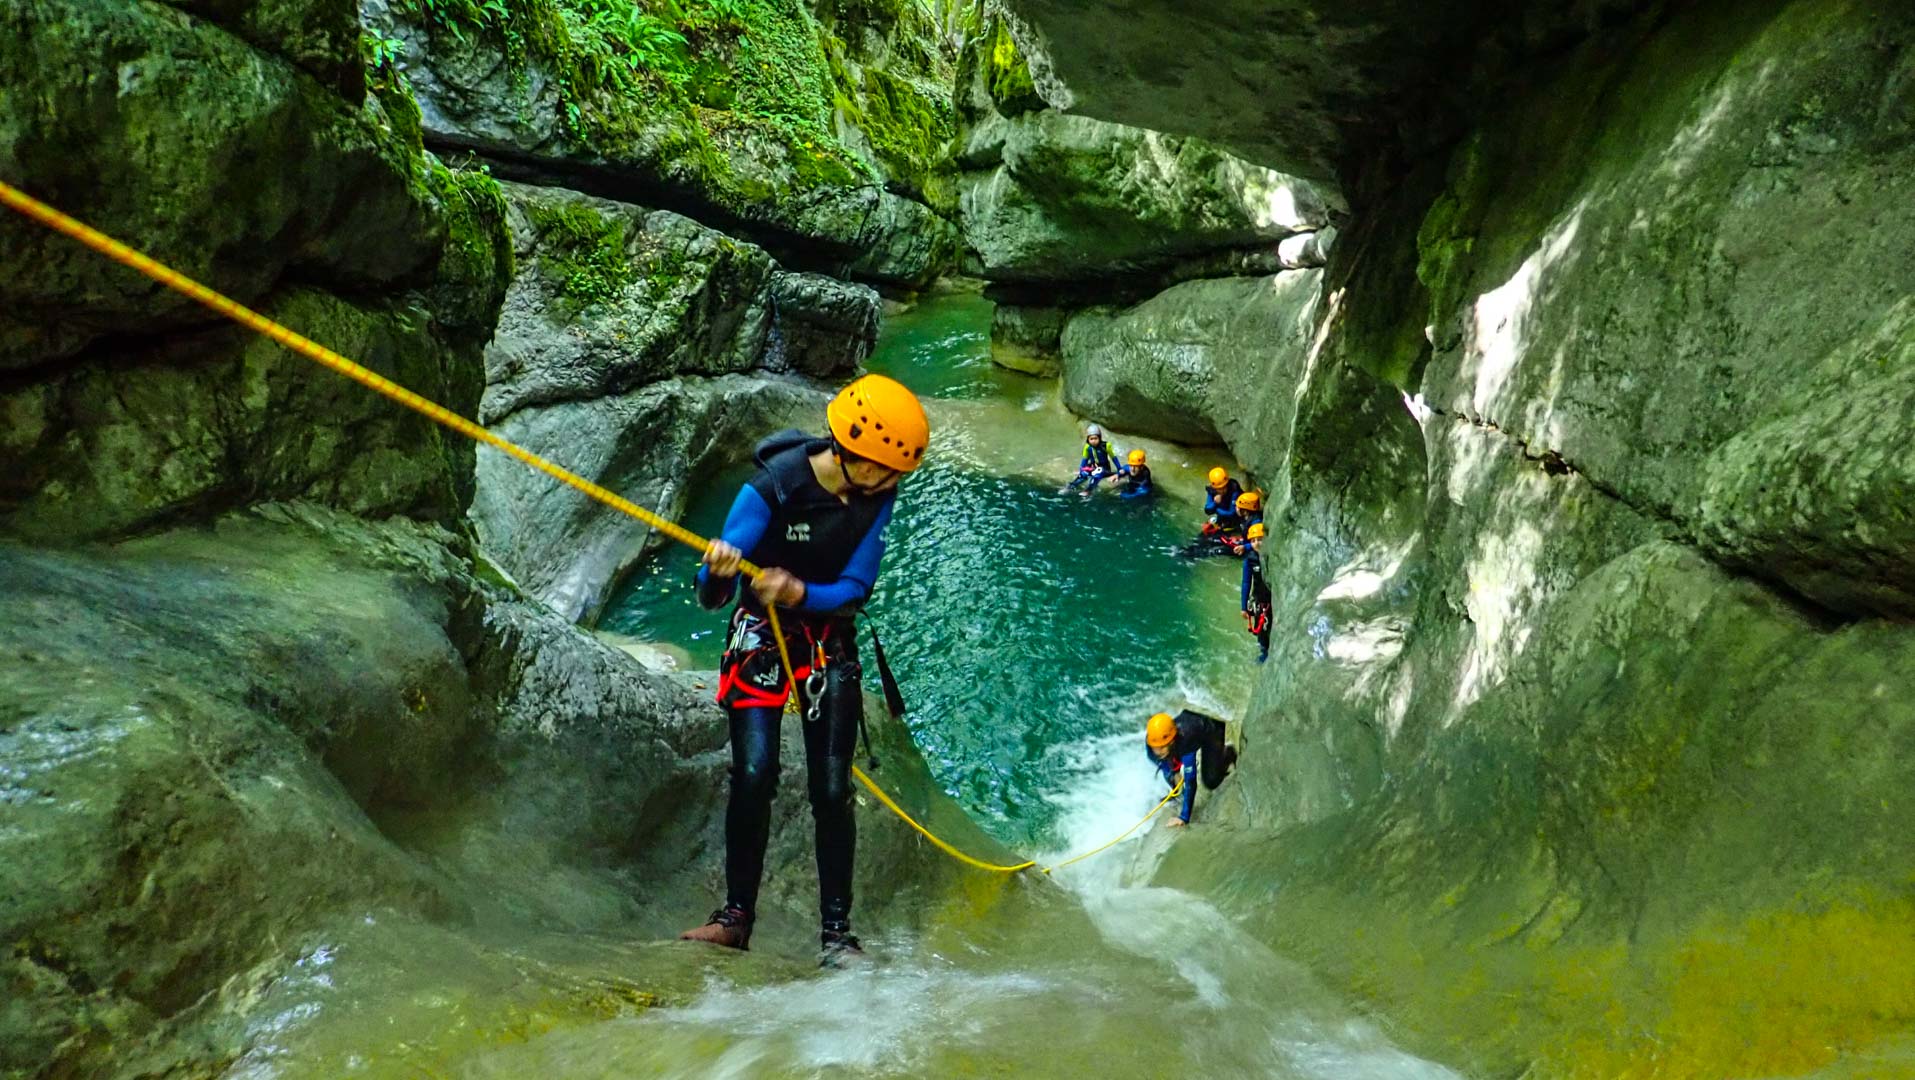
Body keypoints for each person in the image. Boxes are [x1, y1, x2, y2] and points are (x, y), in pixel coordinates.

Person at [679, 373, 928, 964]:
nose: (894, 483)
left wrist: (796, 592)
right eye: (887, 470)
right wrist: (718, 568)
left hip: (826, 639)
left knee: (833, 788)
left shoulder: (876, 497)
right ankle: (735, 917)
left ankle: (837, 935)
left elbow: (854, 589)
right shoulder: (772, 486)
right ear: (855, 457)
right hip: (761, 637)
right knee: (756, 772)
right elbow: (710, 595)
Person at [1144, 710, 1239, 826]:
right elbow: (1162, 762)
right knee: (1170, 774)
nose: (1158, 752)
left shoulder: (1186, 741)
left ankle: (1228, 754)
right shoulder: (1153, 743)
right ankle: (1176, 795)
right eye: (1156, 748)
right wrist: (1174, 772)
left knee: (1211, 781)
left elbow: (1190, 781)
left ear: (1172, 741)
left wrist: (1183, 817)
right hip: (1187, 726)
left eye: (1162, 747)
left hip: (1210, 731)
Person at [1241, 522, 1272, 662]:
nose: (1257, 543)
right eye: (1253, 541)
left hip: (1272, 599)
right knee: (1261, 631)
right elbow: (1246, 582)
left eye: (1259, 539)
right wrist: (1243, 607)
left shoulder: (1273, 556)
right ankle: (1264, 652)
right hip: (1260, 599)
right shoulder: (1250, 559)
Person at [1068, 423, 1120, 491]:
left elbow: (1114, 458)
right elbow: (1084, 460)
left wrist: (1119, 469)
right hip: (1093, 467)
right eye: (1091, 439)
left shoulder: (1106, 446)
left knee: (1097, 473)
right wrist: (1081, 470)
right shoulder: (1087, 447)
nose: (1093, 441)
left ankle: (1089, 490)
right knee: (1083, 474)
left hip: (1104, 468)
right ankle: (1071, 486)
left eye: (1096, 438)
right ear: (1088, 439)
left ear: (1099, 438)